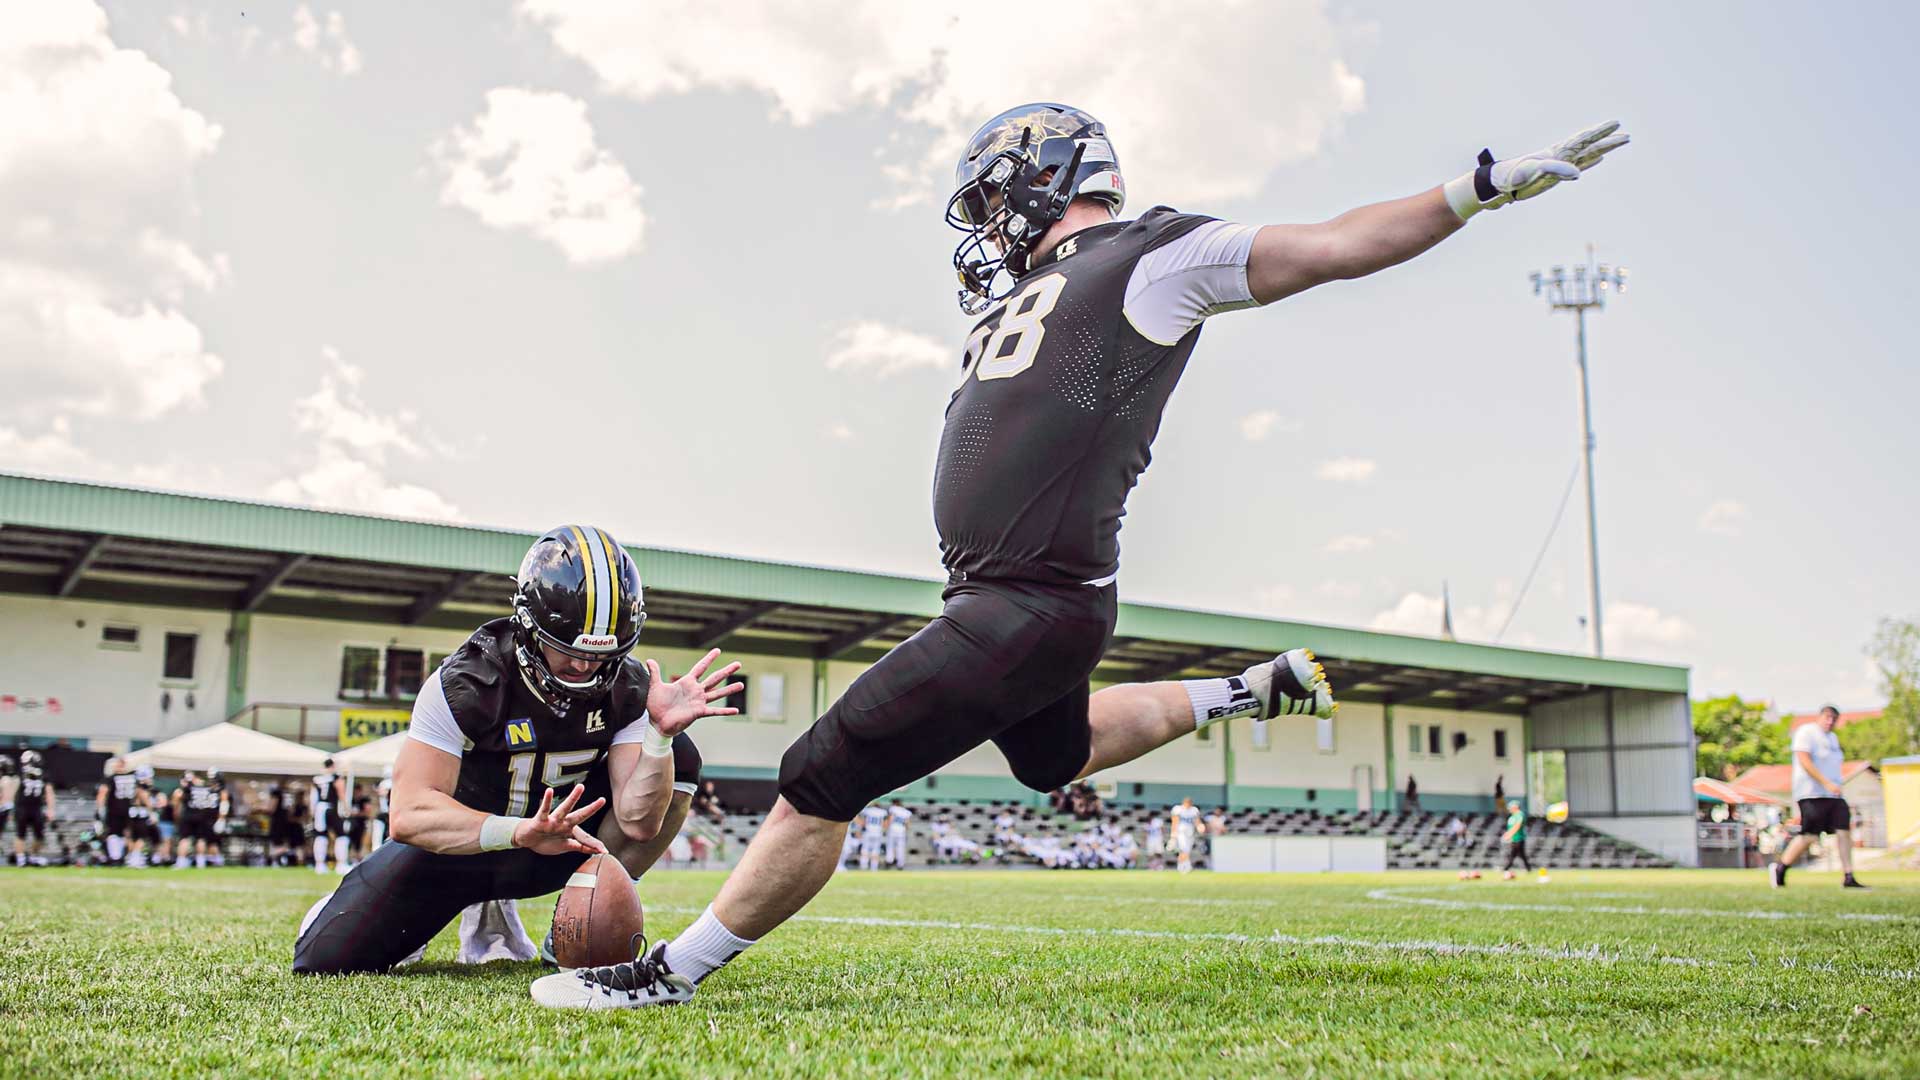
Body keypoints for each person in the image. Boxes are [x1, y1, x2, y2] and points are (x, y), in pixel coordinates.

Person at [533, 103, 1628, 1009]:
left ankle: (669, 976)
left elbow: (1331, 245)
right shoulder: (1033, 292)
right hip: (1025, 606)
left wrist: (1467, 194)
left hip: (1026, 604)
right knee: (1053, 759)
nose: (989, 225)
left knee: (818, 773)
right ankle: (1248, 691)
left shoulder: (1152, 257)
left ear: (1052, 177)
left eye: (997, 198)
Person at [294, 525, 736, 975]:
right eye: (566, 649)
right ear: (528, 624)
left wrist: (659, 735)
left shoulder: (629, 688)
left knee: (678, 755)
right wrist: (518, 831)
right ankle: (422, 913)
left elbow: (639, 823)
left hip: (564, 847)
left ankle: (579, 916)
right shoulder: (467, 683)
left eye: (602, 655)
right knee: (327, 959)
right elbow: (409, 814)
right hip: (460, 851)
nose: (584, 665)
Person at [1768, 705, 1868, 890]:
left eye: (1834, 719)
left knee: (1844, 831)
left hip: (1834, 795)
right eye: (1827, 717)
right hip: (1811, 793)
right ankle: (1781, 867)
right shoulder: (1806, 732)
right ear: (1820, 716)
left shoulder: (1833, 738)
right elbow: (1804, 760)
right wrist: (1825, 782)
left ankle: (1848, 875)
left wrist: (1834, 785)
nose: (1830, 722)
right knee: (1809, 836)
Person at [11, 750, 54, 866]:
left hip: (33, 807)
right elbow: (14, 789)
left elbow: (48, 792)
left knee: (35, 835)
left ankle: (30, 857)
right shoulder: (24, 772)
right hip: (25, 807)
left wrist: (50, 809)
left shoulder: (38, 773)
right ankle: (23, 859)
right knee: (21, 834)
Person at [97, 757, 138, 865]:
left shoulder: (111, 778)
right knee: (126, 834)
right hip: (129, 810)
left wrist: (100, 808)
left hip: (114, 810)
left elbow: (102, 792)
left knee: (113, 833)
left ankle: (116, 857)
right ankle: (126, 857)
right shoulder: (132, 777)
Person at [310, 760, 347, 875]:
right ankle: (341, 864)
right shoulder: (336, 778)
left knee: (321, 836)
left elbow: (313, 798)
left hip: (319, 810)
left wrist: (313, 812)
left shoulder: (317, 779)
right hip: (332, 808)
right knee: (341, 836)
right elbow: (341, 793)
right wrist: (346, 808)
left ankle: (319, 864)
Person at [1169, 797, 1203, 875]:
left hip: (1190, 833)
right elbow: (1175, 822)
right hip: (1181, 832)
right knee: (1184, 849)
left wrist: (1200, 826)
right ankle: (1187, 866)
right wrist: (1173, 833)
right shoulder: (1178, 809)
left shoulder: (1194, 810)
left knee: (1186, 850)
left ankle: (1180, 866)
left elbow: (1197, 821)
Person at [1500, 800, 1532, 878]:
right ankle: (1528, 868)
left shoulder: (1520, 815)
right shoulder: (1511, 817)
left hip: (1519, 838)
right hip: (1514, 839)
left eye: (1511, 808)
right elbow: (1510, 828)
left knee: (1513, 854)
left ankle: (1506, 868)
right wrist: (1507, 834)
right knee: (1521, 855)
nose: (1510, 809)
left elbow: (1517, 826)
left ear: (1515, 807)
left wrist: (1510, 834)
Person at [858, 803, 887, 871]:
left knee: (865, 848)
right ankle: (874, 867)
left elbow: (863, 821)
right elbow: (884, 823)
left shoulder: (867, 810)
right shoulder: (883, 812)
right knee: (876, 850)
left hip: (868, 831)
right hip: (878, 832)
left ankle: (863, 866)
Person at [885, 800, 913, 869]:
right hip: (901, 831)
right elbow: (908, 824)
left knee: (890, 847)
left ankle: (889, 862)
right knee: (900, 848)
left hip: (893, 829)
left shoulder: (893, 808)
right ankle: (900, 864)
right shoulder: (906, 812)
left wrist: (886, 828)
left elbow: (890, 819)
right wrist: (905, 830)